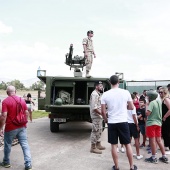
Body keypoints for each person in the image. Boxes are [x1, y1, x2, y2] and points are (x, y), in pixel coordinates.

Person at [101, 75, 137, 170]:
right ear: (119, 82)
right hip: (123, 121)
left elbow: (103, 112)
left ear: (110, 82)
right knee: (127, 144)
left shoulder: (105, 94)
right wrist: (125, 107)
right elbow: (132, 107)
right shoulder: (125, 92)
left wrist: (106, 120)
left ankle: (116, 167)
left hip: (112, 122)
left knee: (113, 145)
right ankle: (132, 166)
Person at [0, 86, 32, 170]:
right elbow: (26, 113)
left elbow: (3, 116)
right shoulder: (22, 100)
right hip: (22, 126)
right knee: (25, 145)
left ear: (7, 93)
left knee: (7, 145)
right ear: (16, 91)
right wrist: (26, 122)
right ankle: (28, 164)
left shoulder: (5, 101)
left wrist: (0, 128)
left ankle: (6, 162)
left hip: (10, 127)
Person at [145, 90, 168, 164]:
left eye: (147, 96)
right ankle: (164, 156)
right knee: (159, 140)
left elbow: (148, 113)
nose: (146, 97)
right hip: (158, 123)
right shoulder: (159, 102)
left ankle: (153, 157)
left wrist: (146, 106)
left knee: (152, 140)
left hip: (151, 123)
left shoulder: (151, 103)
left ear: (150, 97)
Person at [89, 81, 105, 154]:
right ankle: (93, 147)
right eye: (100, 86)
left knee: (99, 130)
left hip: (99, 116)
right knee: (95, 130)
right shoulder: (94, 94)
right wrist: (102, 113)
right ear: (96, 86)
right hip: (96, 115)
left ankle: (98, 144)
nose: (102, 87)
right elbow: (94, 108)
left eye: (102, 86)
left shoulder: (98, 94)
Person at [128, 94, 143, 160]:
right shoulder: (133, 107)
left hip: (127, 124)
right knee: (136, 139)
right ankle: (138, 154)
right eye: (135, 99)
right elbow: (134, 117)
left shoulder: (126, 106)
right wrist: (137, 125)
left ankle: (129, 153)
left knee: (129, 139)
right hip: (133, 124)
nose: (136, 100)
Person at [159, 87, 170, 152]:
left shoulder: (166, 99)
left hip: (167, 119)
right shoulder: (164, 99)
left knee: (166, 132)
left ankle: (167, 146)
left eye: (161, 92)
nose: (160, 94)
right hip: (166, 118)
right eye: (159, 92)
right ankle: (166, 146)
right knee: (165, 132)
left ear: (165, 93)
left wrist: (165, 117)